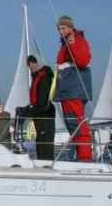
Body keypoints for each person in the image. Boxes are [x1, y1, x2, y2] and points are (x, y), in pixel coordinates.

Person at [53, 15, 93, 161]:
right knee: (72, 123)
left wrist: (72, 43)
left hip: (74, 90)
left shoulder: (78, 40)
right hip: (67, 91)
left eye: (63, 28)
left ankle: (85, 156)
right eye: (59, 29)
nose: (60, 31)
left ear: (70, 28)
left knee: (77, 123)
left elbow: (83, 60)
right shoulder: (65, 43)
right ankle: (81, 154)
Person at [16, 55, 56, 161]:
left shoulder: (44, 77)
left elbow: (42, 101)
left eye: (33, 63)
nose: (31, 66)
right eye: (29, 64)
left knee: (44, 143)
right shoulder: (37, 77)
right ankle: (43, 162)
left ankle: (46, 164)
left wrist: (27, 111)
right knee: (40, 143)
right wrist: (26, 109)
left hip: (45, 114)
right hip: (40, 115)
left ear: (39, 63)